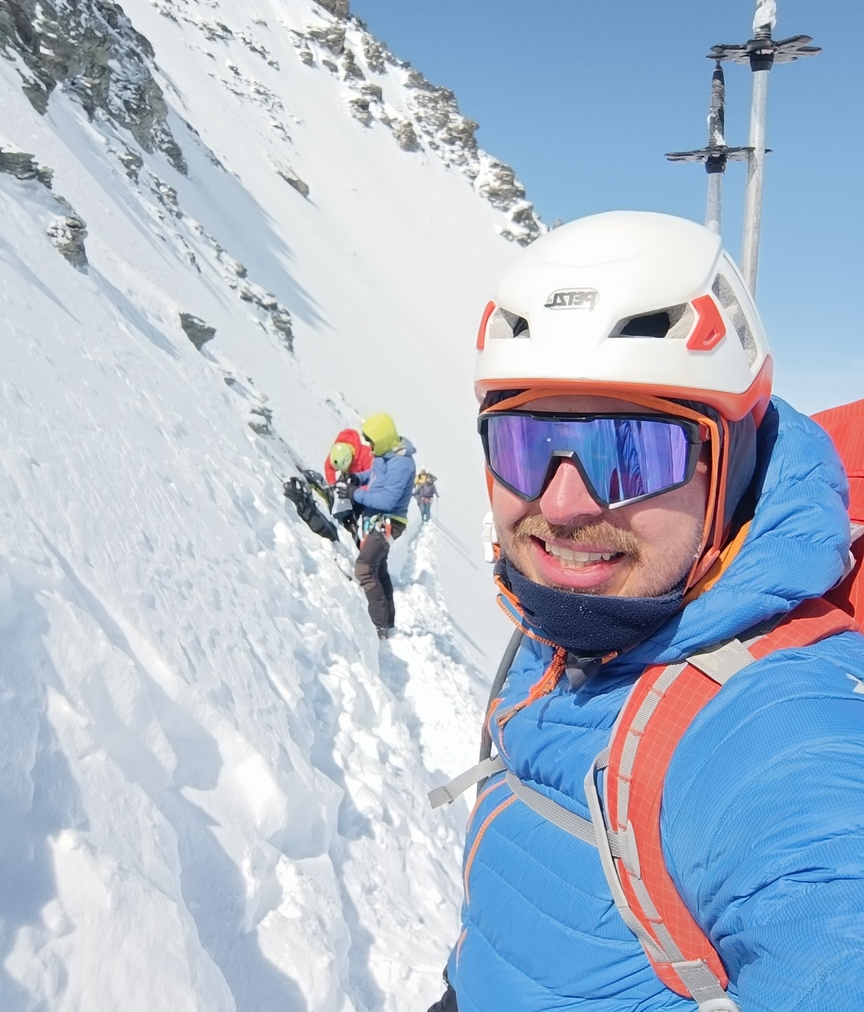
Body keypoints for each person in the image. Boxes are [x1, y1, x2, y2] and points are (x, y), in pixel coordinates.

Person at [428, 211, 863, 1012]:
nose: (562, 505)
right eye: (524, 445)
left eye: (631, 452)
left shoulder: (777, 731)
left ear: (730, 466)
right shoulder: (588, 626)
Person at [338, 413, 415, 639]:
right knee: (378, 569)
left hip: (390, 521)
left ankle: (378, 627)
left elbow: (387, 501)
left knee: (364, 568)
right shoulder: (386, 454)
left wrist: (354, 493)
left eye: (372, 442)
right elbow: (375, 475)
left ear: (382, 439)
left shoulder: (401, 464)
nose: (370, 448)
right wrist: (358, 479)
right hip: (378, 518)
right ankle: (387, 622)